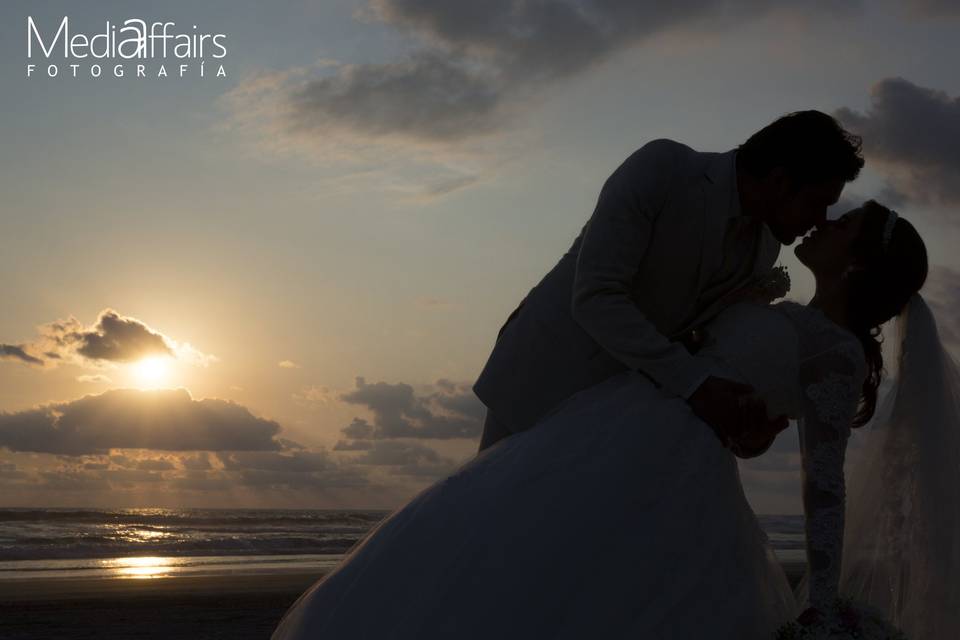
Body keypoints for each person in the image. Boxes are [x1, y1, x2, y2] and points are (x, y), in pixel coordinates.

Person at [270, 201, 929, 639]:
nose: (827, 221)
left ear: (859, 261)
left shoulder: (837, 354)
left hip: (674, 476)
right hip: (608, 425)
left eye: (845, 225)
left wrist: (820, 599)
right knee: (516, 563)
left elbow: (825, 482)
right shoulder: (778, 306)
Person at [473, 111, 864, 457]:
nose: (821, 219)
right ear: (780, 181)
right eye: (817, 202)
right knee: (492, 527)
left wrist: (746, 429)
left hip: (615, 419)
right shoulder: (664, 170)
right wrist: (698, 387)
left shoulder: (765, 249)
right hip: (539, 380)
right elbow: (597, 297)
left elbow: (702, 343)